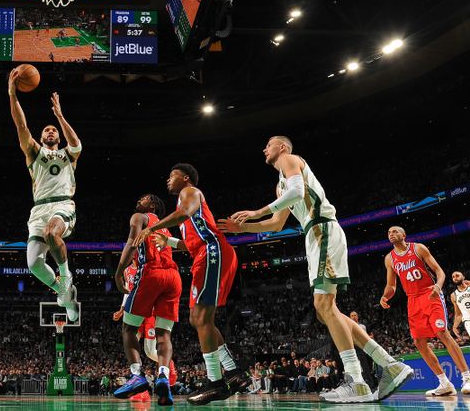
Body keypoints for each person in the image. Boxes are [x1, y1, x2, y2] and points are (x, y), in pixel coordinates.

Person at [219, 136, 412, 403]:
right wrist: (245, 228)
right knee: (326, 312)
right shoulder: (280, 185)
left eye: (269, 144)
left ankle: (356, 380)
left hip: (322, 229)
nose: (265, 148)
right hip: (314, 235)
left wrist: (255, 212)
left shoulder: (289, 160)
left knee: (323, 305)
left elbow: (298, 193)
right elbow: (276, 225)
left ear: (283, 147)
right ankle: (388, 364)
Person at [132, 163, 244, 406]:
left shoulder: (189, 193)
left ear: (185, 178)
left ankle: (216, 382)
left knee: (201, 318)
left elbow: (185, 213)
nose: (168, 180)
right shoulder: (184, 205)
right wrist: (170, 241)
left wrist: (153, 227)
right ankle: (233, 372)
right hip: (203, 254)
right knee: (198, 319)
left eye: (171, 176)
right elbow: (190, 243)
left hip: (212, 252)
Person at [8, 69, 81, 322]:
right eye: (46, 130)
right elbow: (21, 124)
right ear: (40, 138)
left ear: (58, 136)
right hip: (38, 209)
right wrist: (12, 93)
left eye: (53, 130)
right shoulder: (34, 152)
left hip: (62, 204)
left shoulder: (68, 155)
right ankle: (65, 294)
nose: (50, 132)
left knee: (52, 233)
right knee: (33, 264)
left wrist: (60, 116)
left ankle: (65, 276)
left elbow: (76, 144)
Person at [381, 226, 470, 395]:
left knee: (442, 333)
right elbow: (391, 285)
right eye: (389, 233)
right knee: (419, 342)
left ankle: (467, 377)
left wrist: (437, 286)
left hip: (430, 293)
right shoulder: (389, 259)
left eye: (395, 231)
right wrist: (385, 296)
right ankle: (444, 383)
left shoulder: (418, 248)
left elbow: (439, 272)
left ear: (403, 234)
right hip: (412, 299)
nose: (391, 234)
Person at [113, 194, 182, 406]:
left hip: (152, 274)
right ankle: (162, 375)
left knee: (128, 329)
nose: (137, 201)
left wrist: (118, 272)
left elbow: (132, 243)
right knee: (164, 333)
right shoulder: (165, 228)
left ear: (152, 205)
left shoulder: (140, 217)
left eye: (142, 199)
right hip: (173, 278)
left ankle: (136, 375)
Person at [450, 271, 470, 342]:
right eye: (453, 277)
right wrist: (454, 326)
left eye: (457, 275)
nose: (455, 278)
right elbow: (458, 314)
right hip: (468, 320)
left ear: (463, 277)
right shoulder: (453, 295)